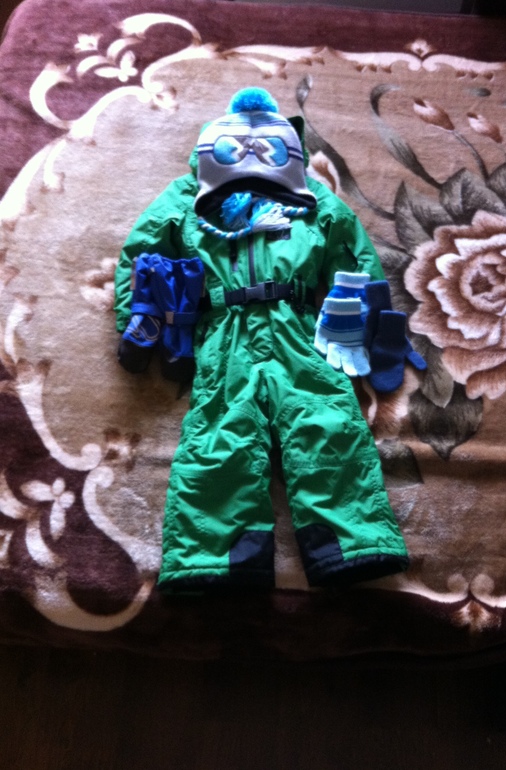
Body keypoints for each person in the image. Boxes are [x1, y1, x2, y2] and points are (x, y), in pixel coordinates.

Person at [114, 88, 413, 590]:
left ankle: (353, 544)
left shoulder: (311, 196)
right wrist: (136, 321)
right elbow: (140, 253)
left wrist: (367, 318)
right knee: (221, 437)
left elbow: (350, 248)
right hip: (224, 329)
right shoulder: (187, 195)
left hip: (299, 325)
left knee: (326, 426)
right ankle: (216, 559)